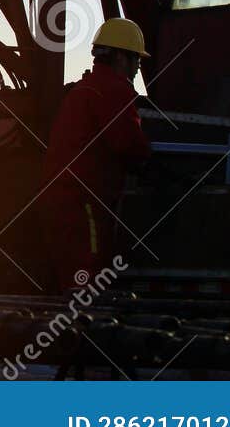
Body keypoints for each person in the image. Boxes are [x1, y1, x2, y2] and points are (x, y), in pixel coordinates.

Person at [37, 18, 153, 292]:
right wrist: (154, 166)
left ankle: (67, 328)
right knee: (86, 279)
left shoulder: (84, 89)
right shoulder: (113, 90)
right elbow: (128, 143)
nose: (138, 67)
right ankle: (80, 331)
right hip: (83, 201)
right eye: (136, 59)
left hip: (63, 199)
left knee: (72, 278)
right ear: (121, 57)